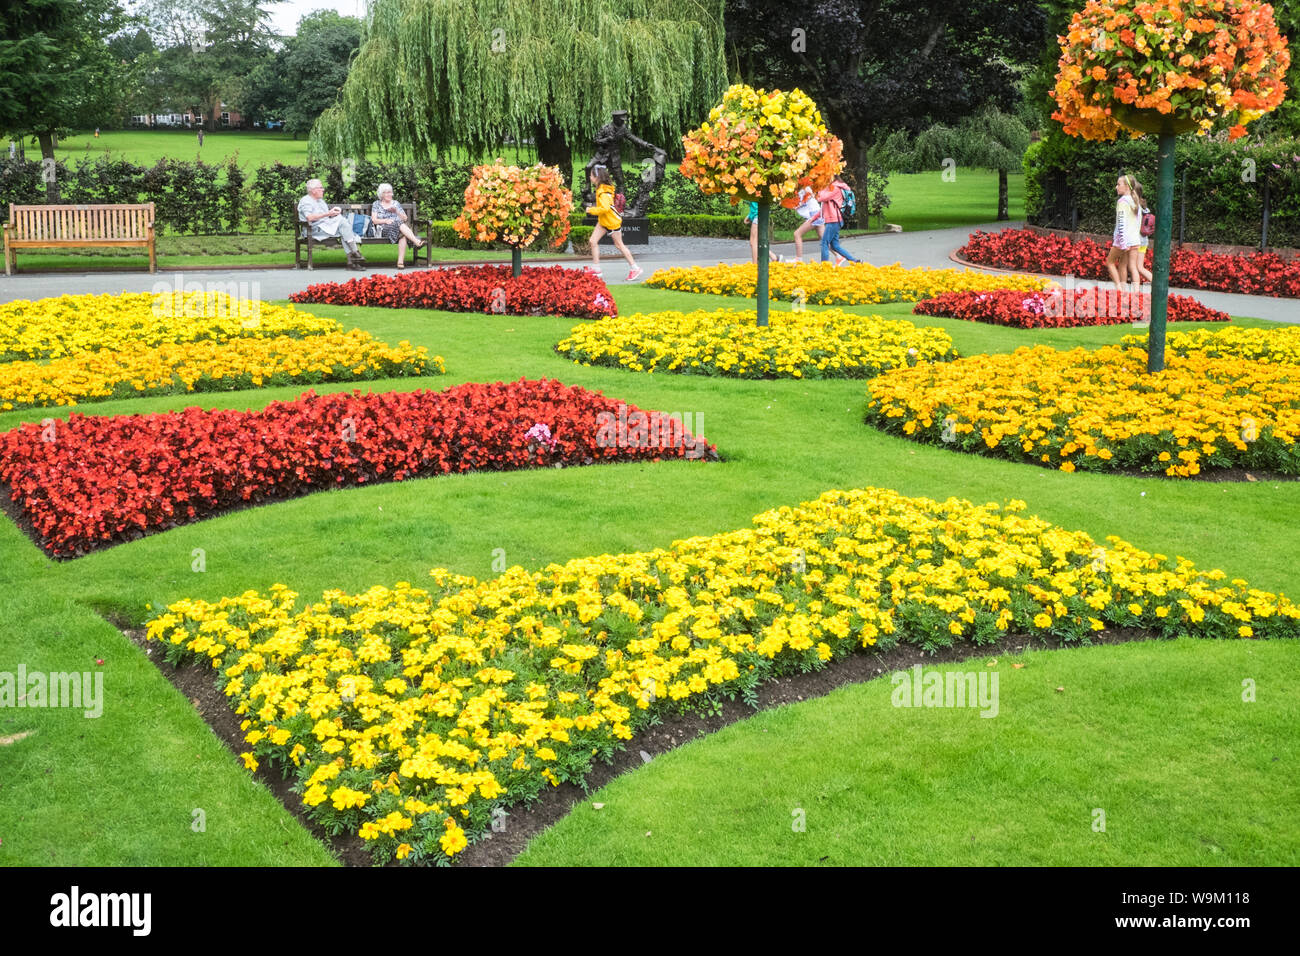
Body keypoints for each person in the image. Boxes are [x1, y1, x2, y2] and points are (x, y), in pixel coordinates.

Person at [585, 164, 641, 281]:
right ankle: (596, 268)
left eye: (591, 175)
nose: (590, 178)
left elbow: (605, 208)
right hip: (604, 221)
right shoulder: (602, 189)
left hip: (611, 222)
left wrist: (591, 210)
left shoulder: (603, 192)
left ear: (597, 177)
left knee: (619, 245)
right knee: (593, 241)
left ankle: (635, 268)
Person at [298, 178, 366, 269]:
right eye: (321, 188)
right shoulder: (306, 201)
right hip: (313, 230)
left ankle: (352, 261)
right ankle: (355, 254)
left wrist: (333, 214)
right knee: (343, 226)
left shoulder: (320, 201)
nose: (323, 189)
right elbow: (309, 217)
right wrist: (328, 214)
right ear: (313, 190)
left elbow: (325, 216)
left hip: (325, 227)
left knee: (343, 229)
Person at [370, 183, 426, 269]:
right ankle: (416, 241)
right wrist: (385, 220)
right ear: (382, 194)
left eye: (391, 192)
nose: (390, 194)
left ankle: (400, 262)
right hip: (383, 228)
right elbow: (374, 220)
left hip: (398, 228)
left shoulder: (396, 203)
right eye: (387, 192)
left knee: (402, 233)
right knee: (399, 225)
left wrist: (396, 211)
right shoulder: (376, 204)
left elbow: (405, 218)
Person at [1107, 173, 1141, 293]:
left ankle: (1120, 289)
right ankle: (1136, 293)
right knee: (1128, 266)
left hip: (1123, 240)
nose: (1116, 187)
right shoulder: (1134, 201)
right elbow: (1138, 222)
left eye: (1118, 184)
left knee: (1110, 262)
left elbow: (1121, 223)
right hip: (1135, 240)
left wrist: (1122, 243)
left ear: (1126, 186)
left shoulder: (1122, 202)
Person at [817, 178, 861, 265]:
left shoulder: (835, 188)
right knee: (835, 245)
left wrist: (821, 188)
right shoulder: (832, 188)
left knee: (824, 243)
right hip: (835, 220)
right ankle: (855, 261)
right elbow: (824, 205)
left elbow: (821, 198)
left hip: (834, 220)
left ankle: (824, 266)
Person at [1128, 178, 1153, 288]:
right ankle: (1157, 284)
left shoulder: (1135, 207)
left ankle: (1136, 291)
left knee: (1132, 267)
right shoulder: (1144, 207)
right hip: (1144, 241)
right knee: (1139, 267)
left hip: (1136, 241)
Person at [792, 185, 825, 261]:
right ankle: (839, 256)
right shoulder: (795, 191)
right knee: (823, 238)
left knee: (797, 234)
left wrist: (799, 204)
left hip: (814, 214)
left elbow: (810, 195)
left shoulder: (805, 187)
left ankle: (798, 259)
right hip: (816, 212)